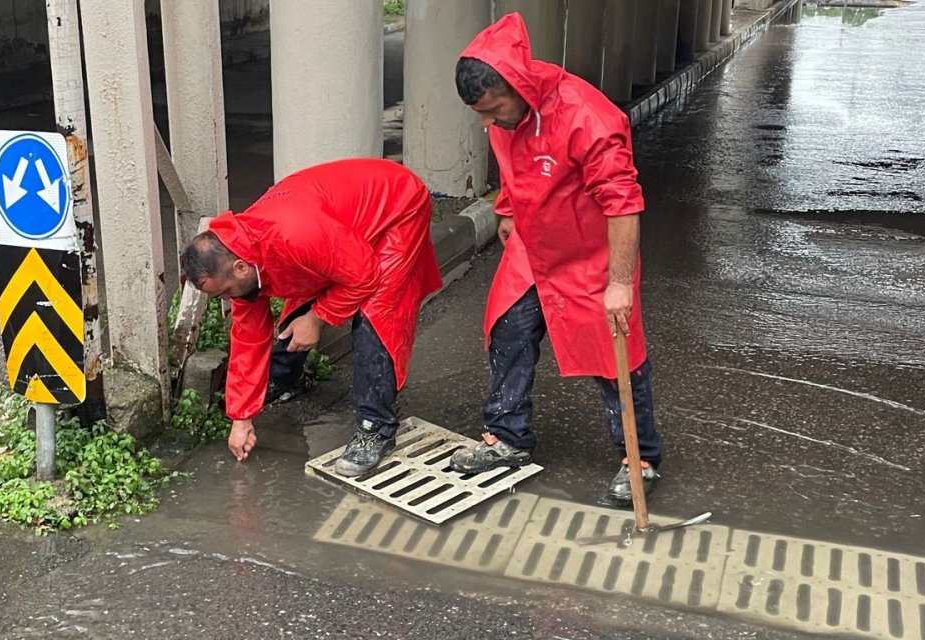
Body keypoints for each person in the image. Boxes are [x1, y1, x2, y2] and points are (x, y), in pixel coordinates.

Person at [448, 13, 664, 505]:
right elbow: (513, 165)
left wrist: (620, 283)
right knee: (508, 330)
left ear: (518, 86)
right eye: (479, 113)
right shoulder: (508, 112)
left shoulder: (590, 118)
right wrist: (506, 210)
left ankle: (642, 457)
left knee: (614, 358)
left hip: (590, 256)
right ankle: (508, 436)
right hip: (533, 248)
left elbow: (623, 203)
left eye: (491, 109)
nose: (487, 123)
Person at [180, 158, 443, 476]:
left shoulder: (294, 237)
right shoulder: (242, 253)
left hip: (397, 207)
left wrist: (318, 318)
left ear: (240, 268)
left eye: (224, 292)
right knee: (302, 300)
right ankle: (284, 379)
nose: (225, 300)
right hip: (338, 228)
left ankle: (376, 429)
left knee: (376, 316)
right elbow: (248, 337)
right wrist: (242, 416)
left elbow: (363, 274)